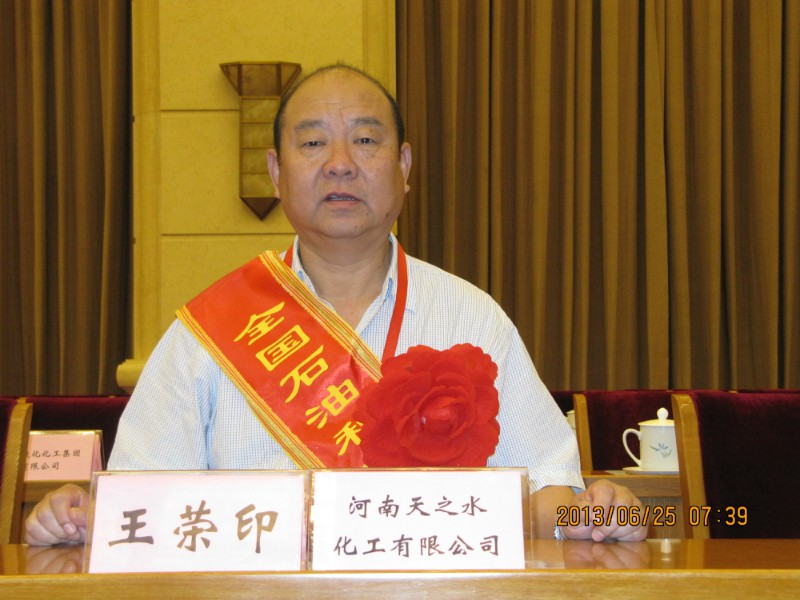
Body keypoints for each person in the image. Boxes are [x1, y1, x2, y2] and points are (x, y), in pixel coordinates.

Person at [25, 64, 646, 546]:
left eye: (366, 140)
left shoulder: (475, 319)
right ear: (276, 172)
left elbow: (548, 494)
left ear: (404, 165)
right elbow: (137, 503)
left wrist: (596, 513)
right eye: (314, 142)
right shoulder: (209, 333)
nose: (341, 165)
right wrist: (76, 519)